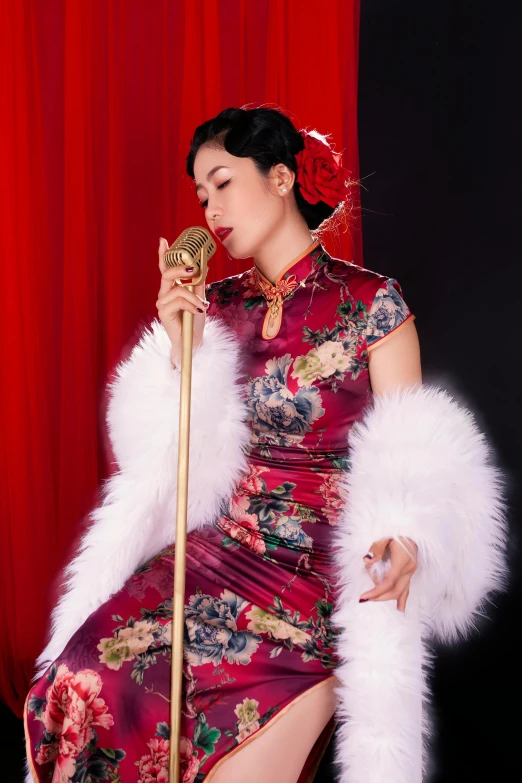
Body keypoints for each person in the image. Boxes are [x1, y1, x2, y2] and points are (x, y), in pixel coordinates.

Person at [24, 107, 508, 783]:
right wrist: (176, 347)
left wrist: (407, 535)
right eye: (201, 196)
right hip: (215, 559)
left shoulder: (372, 304)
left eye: (223, 183)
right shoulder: (212, 305)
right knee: (78, 679)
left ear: (282, 178)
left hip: (315, 578)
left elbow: (414, 456)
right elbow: (160, 458)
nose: (211, 209)